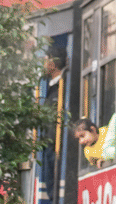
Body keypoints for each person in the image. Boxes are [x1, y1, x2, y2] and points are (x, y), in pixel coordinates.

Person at [42, 45, 67, 203]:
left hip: (56, 146)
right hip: (48, 145)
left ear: (53, 63)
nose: (43, 65)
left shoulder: (62, 88)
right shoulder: (51, 89)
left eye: (45, 60)